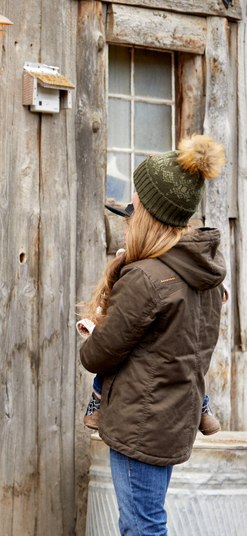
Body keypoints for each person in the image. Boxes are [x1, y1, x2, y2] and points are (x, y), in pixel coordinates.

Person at [80, 134, 227, 535]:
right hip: (173, 415)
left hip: (141, 423)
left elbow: (97, 355)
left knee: (141, 526)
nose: (131, 207)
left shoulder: (146, 277)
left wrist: (95, 331)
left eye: (137, 200)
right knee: (146, 520)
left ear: (148, 211)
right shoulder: (206, 277)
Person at [77, 203, 221, 436]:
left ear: (145, 228)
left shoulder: (141, 273)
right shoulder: (197, 269)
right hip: (170, 409)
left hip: (140, 423)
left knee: (112, 359)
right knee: (190, 363)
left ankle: (96, 401)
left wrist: (96, 337)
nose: (124, 232)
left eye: (129, 225)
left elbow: (102, 352)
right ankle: (203, 408)